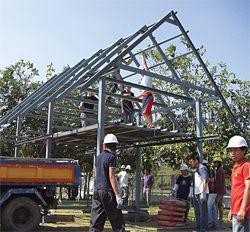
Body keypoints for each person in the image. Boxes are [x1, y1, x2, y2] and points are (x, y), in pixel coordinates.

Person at [89, 133, 125, 232]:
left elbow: (97, 174)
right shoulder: (111, 158)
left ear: (105, 145)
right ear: (114, 145)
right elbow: (111, 177)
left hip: (97, 190)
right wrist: (117, 195)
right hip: (107, 191)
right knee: (117, 220)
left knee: (96, 220)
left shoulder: (99, 157)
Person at [227, 135, 250, 232]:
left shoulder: (246, 166)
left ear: (244, 150)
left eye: (236, 150)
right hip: (236, 210)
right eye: (231, 150)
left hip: (243, 211)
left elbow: (248, 188)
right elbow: (235, 191)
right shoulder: (235, 167)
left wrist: (243, 209)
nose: (232, 153)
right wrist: (232, 210)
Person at [189, 153, 209, 232]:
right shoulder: (196, 170)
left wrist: (203, 193)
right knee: (197, 214)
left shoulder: (202, 168)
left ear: (196, 160)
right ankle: (198, 229)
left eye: (191, 161)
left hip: (201, 193)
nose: (191, 163)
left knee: (203, 214)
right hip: (196, 194)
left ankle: (204, 230)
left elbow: (205, 180)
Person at [135, 53, 154, 128]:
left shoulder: (147, 75)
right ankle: (151, 124)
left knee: (145, 113)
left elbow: (145, 64)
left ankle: (151, 125)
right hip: (145, 96)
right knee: (146, 113)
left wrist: (142, 57)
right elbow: (143, 91)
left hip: (148, 95)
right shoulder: (143, 79)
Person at [213, 156, 226, 224]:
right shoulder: (219, 170)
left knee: (215, 204)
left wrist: (215, 189)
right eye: (214, 162)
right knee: (220, 204)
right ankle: (220, 218)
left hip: (219, 191)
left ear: (219, 163)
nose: (214, 163)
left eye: (215, 162)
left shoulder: (219, 171)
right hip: (222, 190)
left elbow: (219, 182)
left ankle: (216, 218)